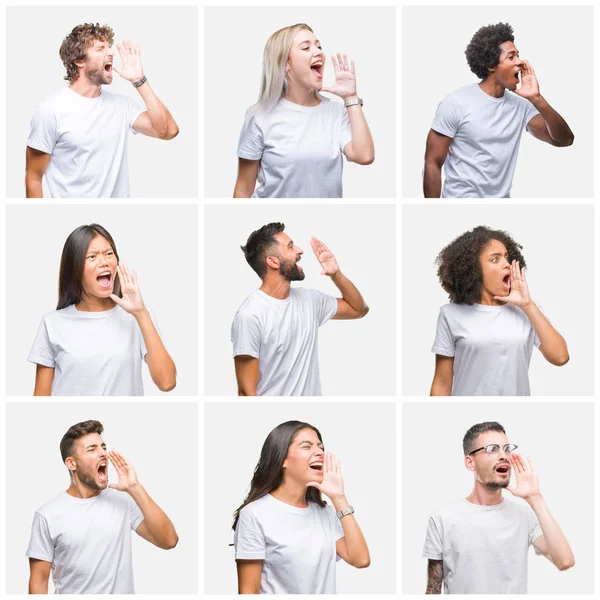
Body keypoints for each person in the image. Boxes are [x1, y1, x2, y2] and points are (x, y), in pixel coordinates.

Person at [26, 23, 179, 198]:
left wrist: (139, 80)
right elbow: (34, 177)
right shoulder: (50, 110)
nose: (111, 53)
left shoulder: (122, 106)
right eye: (100, 48)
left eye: (109, 47)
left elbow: (168, 131)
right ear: (79, 60)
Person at [423, 22, 574, 198]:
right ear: (491, 65)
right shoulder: (456, 103)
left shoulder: (522, 107)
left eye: (518, 55)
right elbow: (433, 162)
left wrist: (536, 98)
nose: (520, 63)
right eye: (511, 57)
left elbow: (564, 140)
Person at [26, 420, 178, 594]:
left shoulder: (123, 502)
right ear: (71, 463)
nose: (103, 454)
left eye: (103, 447)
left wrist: (135, 488)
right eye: (92, 449)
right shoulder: (47, 515)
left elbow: (169, 540)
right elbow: (39, 581)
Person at [423, 421, 575, 594]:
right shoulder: (443, 518)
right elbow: (433, 590)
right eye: (492, 449)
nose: (504, 455)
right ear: (470, 463)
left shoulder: (524, 515)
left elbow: (565, 561)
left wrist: (535, 498)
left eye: (506, 449)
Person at [28, 223, 176, 395]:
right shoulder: (52, 322)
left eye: (109, 254)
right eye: (92, 257)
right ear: (74, 267)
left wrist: (140, 313)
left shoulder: (137, 316)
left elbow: (167, 382)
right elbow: (41, 398)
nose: (104, 262)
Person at [234, 23, 374, 198]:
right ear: (285, 63)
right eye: (306, 47)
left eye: (318, 46)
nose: (318, 52)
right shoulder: (259, 116)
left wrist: (350, 97)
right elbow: (243, 189)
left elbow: (364, 156)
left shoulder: (335, 112)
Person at [231, 222, 369, 396]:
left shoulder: (309, 300)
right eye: (290, 247)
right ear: (273, 261)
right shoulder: (250, 316)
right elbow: (246, 392)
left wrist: (336, 274)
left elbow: (358, 309)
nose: (300, 250)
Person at [233, 420, 370, 594]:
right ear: (282, 459)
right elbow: (248, 593)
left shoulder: (325, 512)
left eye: (321, 447)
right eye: (307, 446)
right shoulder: (254, 515)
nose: (319, 452)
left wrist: (339, 497)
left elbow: (360, 559)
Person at [430, 226, 568, 396]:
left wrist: (527, 305)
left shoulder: (528, 309)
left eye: (507, 257)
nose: (507, 265)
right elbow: (442, 382)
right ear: (473, 270)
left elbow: (560, 357)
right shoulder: (450, 314)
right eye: (495, 260)